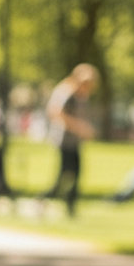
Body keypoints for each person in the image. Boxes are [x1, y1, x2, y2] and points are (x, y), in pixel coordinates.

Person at [41, 63, 99, 216]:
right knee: (64, 174)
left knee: (75, 173)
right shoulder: (67, 92)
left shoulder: (81, 96)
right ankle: (44, 200)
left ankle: (70, 206)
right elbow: (55, 112)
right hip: (64, 141)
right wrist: (79, 127)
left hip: (75, 142)